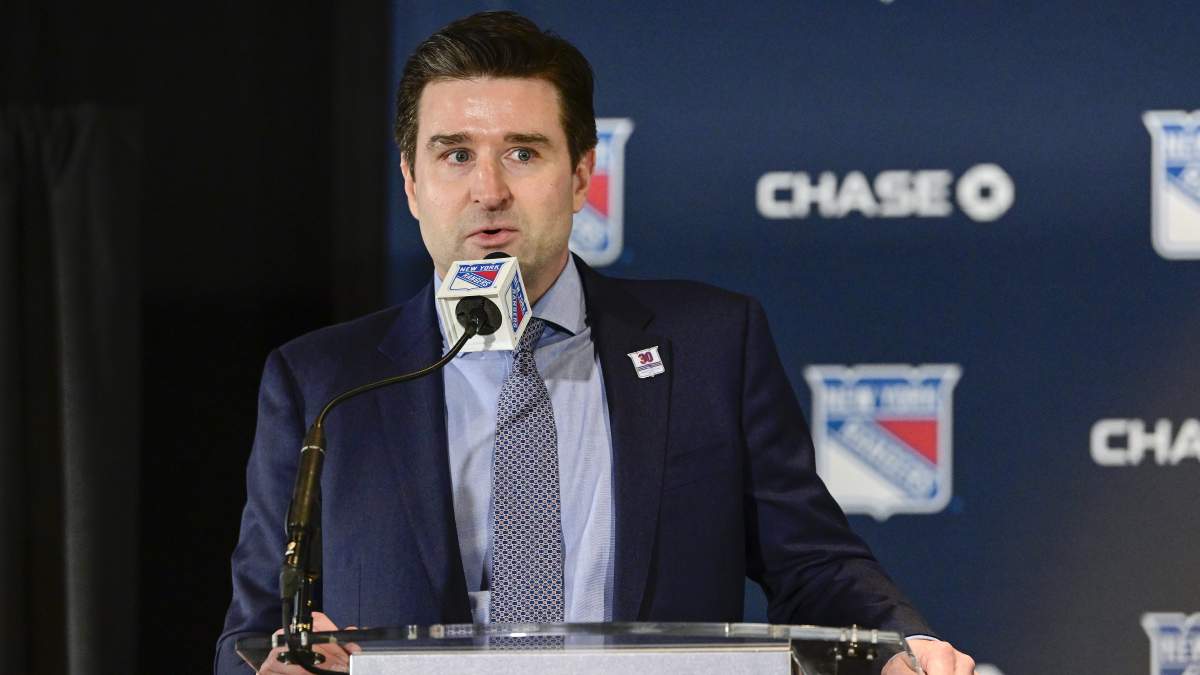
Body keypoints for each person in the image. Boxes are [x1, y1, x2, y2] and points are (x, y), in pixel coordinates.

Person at [214, 10, 976, 675]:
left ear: (581, 175)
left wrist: (899, 644)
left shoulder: (712, 346)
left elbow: (811, 564)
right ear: (411, 181)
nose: (488, 190)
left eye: (523, 152)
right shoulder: (324, 383)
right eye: (455, 154)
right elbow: (254, 629)